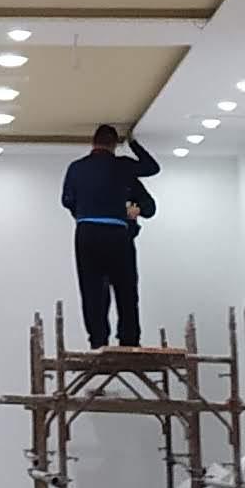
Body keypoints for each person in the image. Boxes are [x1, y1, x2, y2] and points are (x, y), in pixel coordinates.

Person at [59, 122, 160, 348]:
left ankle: (98, 341)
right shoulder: (122, 167)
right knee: (125, 288)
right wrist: (132, 142)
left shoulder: (76, 168)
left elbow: (67, 200)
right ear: (115, 145)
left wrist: (83, 213)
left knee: (92, 289)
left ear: (92, 142)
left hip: (87, 233)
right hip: (117, 232)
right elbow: (152, 168)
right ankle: (129, 340)